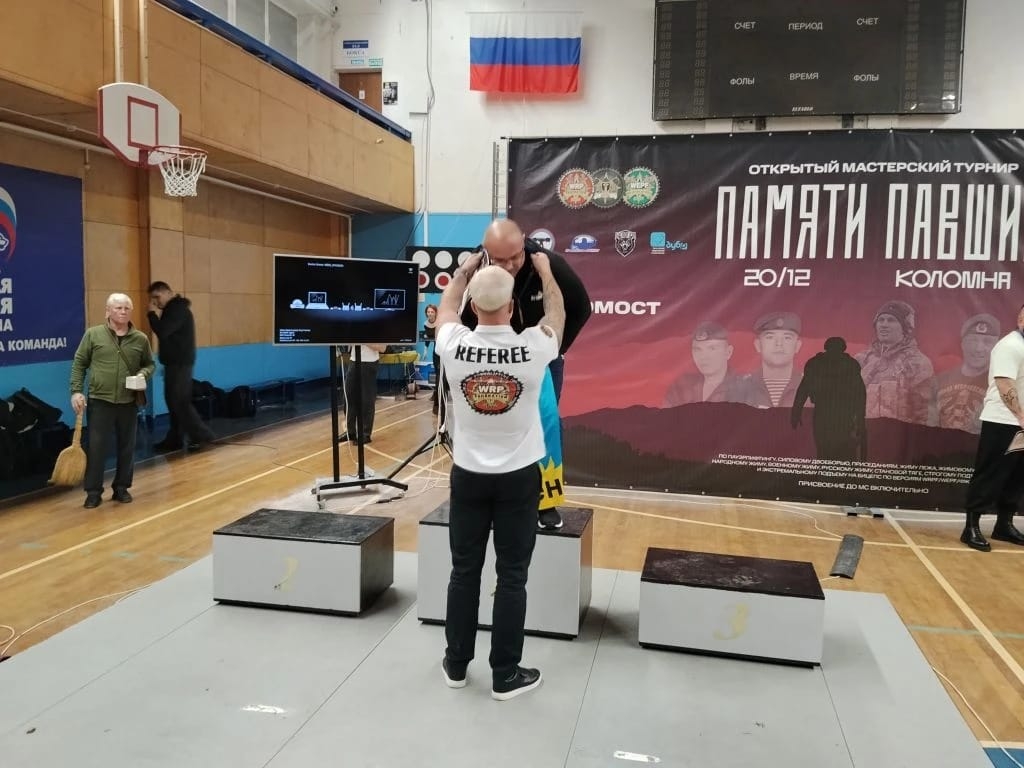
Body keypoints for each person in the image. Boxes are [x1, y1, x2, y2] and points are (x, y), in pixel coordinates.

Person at [435, 250, 564, 701]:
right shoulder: (534, 345)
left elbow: (446, 307)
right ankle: (505, 675)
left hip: (468, 476)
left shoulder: (453, 342)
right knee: (512, 576)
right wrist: (545, 272)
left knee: (463, 571)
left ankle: (455, 665)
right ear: (511, 307)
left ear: (474, 306)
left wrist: (464, 271)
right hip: (518, 479)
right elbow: (557, 314)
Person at [461, 218, 590, 530]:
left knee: (545, 425)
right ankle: (497, 497)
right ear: (486, 252)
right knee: (495, 426)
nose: (508, 266)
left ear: (523, 245)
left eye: (515, 258)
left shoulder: (549, 264)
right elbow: (462, 316)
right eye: (500, 260)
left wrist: (555, 349)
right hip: (496, 361)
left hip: (541, 361)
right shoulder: (477, 266)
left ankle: (546, 502)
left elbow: (581, 308)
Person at [70, 293, 155, 509]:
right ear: (107, 311)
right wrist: (76, 391)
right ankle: (93, 492)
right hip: (100, 400)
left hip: (128, 402)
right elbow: (79, 363)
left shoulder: (140, 339)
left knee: (127, 447)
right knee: (96, 448)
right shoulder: (93, 335)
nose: (123, 311)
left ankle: (121, 488)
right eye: (118, 308)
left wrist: (143, 374)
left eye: (127, 308)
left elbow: (150, 364)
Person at [960, 305, 1024, 552]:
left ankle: (1004, 525)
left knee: (1017, 476)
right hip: (1004, 420)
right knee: (990, 474)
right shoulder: (1010, 345)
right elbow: (1004, 382)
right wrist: (1020, 415)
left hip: (1020, 423)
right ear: (1021, 318)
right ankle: (971, 527)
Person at [146, 281, 216, 451]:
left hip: (180, 363)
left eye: (157, 297)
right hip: (175, 363)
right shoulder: (172, 309)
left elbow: (163, 331)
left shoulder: (177, 310)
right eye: (152, 298)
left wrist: (151, 314)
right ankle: (175, 439)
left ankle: (203, 436)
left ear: (168, 293)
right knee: (173, 402)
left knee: (180, 402)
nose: (155, 302)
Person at [855, 300, 934, 424]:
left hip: (899, 434)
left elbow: (923, 413)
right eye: (881, 320)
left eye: (891, 320)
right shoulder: (861, 360)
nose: (884, 325)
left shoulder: (917, 363)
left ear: (905, 328)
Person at [791, 337, 867, 460]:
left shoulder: (815, 363)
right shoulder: (850, 364)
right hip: (843, 414)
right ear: (843, 348)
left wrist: (796, 412)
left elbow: (803, 389)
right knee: (842, 451)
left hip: (826, 412)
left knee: (825, 450)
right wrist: (860, 419)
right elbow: (860, 394)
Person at [929, 314, 1001, 434]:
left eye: (987, 342)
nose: (979, 348)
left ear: (997, 347)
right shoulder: (939, 381)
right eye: (973, 341)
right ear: (962, 344)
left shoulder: (1001, 385)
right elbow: (928, 424)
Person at [663, 321, 745, 406]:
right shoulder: (681, 387)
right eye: (698, 349)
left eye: (712, 348)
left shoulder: (743, 389)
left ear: (728, 352)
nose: (704, 357)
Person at [741, 312, 803, 408]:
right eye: (770, 337)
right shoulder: (740, 388)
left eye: (787, 337)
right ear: (758, 345)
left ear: (797, 346)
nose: (779, 344)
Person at [344, 343, 387, 444]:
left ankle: (365, 434)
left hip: (369, 363)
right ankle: (350, 432)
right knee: (348, 397)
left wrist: (362, 339)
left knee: (367, 399)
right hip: (354, 360)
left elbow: (382, 348)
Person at [423, 303, 440, 415]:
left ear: (435, 313)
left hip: (443, 349)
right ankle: (436, 394)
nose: (430, 314)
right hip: (435, 351)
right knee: (437, 373)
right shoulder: (426, 324)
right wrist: (425, 350)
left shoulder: (440, 323)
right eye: (428, 312)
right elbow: (428, 338)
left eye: (432, 312)